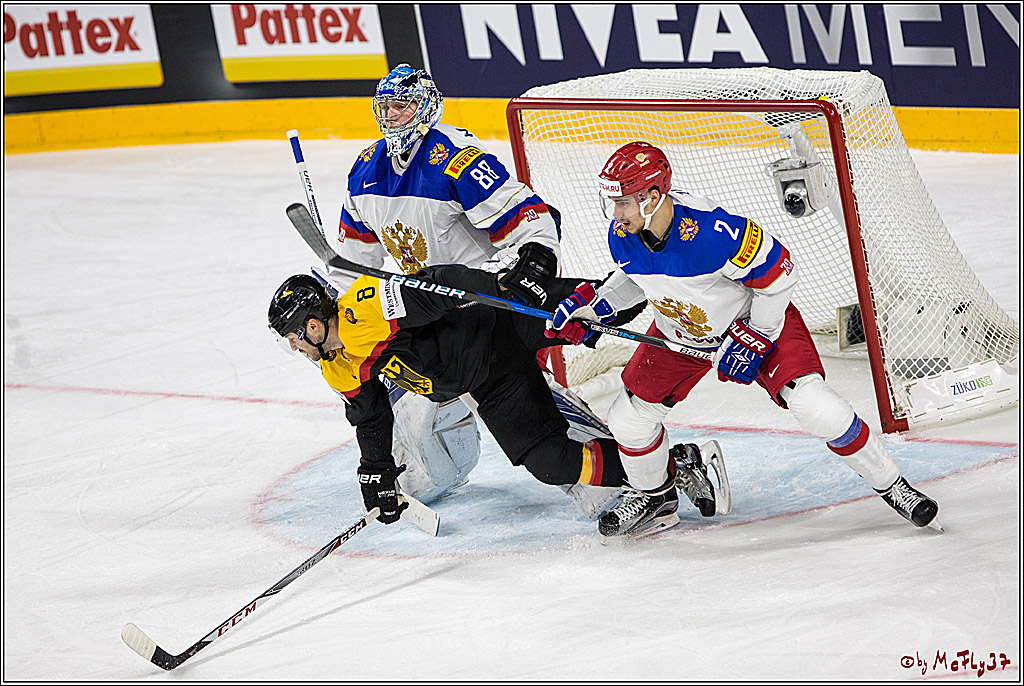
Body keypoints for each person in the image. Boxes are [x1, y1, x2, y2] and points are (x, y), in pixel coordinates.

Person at [546, 141, 940, 537]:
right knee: (629, 421)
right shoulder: (624, 234)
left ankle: (893, 485)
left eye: (623, 203)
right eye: (612, 203)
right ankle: (656, 498)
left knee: (815, 405)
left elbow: (781, 272)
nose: (615, 214)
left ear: (652, 196)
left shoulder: (713, 231)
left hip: (752, 321)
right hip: (683, 329)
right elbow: (636, 277)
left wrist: (758, 335)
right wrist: (594, 309)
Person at [323, 63, 615, 514]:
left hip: (482, 311)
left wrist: (534, 262)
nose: (391, 117)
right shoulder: (365, 172)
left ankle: (624, 471)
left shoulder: (457, 158)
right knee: (413, 443)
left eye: (401, 106)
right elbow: (352, 266)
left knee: (534, 425)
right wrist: (333, 321)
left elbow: (530, 216)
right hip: (420, 322)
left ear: (425, 108)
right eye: (385, 107)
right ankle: (432, 472)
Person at [267, 257, 688, 530]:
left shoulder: (364, 309)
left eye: (293, 336)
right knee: (547, 461)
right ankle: (678, 466)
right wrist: (375, 471)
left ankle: (694, 290)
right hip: (491, 379)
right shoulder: (336, 365)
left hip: (500, 320)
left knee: (605, 307)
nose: (294, 347)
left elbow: (437, 283)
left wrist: (498, 287)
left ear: (313, 324)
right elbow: (371, 416)